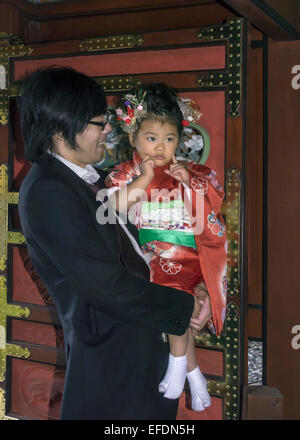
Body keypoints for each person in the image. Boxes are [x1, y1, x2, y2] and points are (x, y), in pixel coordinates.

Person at [17, 66, 210, 420]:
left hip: (142, 350)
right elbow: (104, 286)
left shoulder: (97, 179)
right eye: (98, 121)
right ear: (62, 129)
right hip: (114, 367)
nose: (107, 129)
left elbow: (151, 245)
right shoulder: (48, 190)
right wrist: (182, 308)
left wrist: (195, 287)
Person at [105, 83, 227, 412]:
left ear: (180, 139)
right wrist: (143, 180)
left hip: (188, 255)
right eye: (151, 138)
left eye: (169, 139)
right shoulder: (127, 174)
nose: (160, 147)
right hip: (152, 256)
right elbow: (114, 206)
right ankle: (194, 374)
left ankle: (177, 367)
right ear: (133, 137)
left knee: (179, 307)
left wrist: (188, 181)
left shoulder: (189, 172)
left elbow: (213, 203)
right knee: (178, 312)